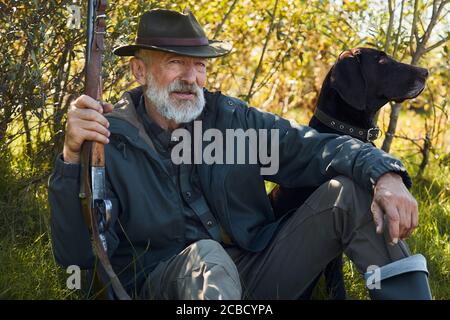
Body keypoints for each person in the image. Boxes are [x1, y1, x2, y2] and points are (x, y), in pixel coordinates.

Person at [48, 8, 432, 299]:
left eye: (199, 65)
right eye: (175, 62)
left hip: (255, 274)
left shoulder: (233, 119)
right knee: (208, 257)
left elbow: (316, 148)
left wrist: (386, 175)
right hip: (165, 285)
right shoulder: (106, 140)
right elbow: (77, 263)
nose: (191, 77)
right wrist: (70, 158)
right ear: (138, 71)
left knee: (350, 194)